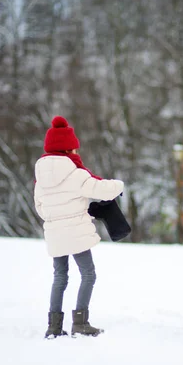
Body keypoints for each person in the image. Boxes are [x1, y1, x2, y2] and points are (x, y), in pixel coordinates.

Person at [34, 116, 124, 339]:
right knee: (88, 274)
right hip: (76, 231)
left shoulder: (41, 177)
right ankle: (80, 323)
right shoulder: (76, 173)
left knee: (60, 277)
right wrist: (119, 185)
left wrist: (56, 219)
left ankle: (54, 326)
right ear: (67, 148)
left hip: (55, 233)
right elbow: (100, 189)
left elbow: (40, 207)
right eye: (74, 147)